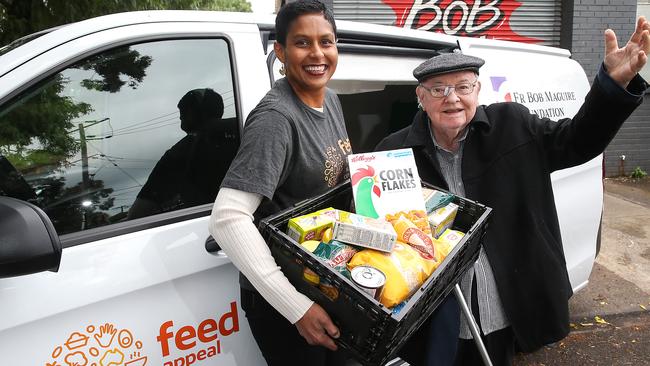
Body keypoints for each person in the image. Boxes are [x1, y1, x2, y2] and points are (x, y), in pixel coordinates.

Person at [377, 17, 650, 366]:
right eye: (438, 89)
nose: (452, 99)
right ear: (420, 97)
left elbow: (578, 141)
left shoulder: (512, 125)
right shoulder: (393, 152)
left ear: (477, 91)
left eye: (463, 87)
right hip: (432, 313)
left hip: (501, 306)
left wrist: (612, 85)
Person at [208, 1, 352, 365]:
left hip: (324, 279)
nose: (317, 53)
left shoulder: (330, 100)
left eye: (326, 41)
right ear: (281, 51)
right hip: (289, 301)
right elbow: (228, 219)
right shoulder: (276, 119)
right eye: (302, 43)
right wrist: (297, 308)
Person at [128, 88, 234, 219]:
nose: (180, 117)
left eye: (183, 112)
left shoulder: (178, 154)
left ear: (194, 113)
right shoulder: (246, 131)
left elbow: (137, 213)